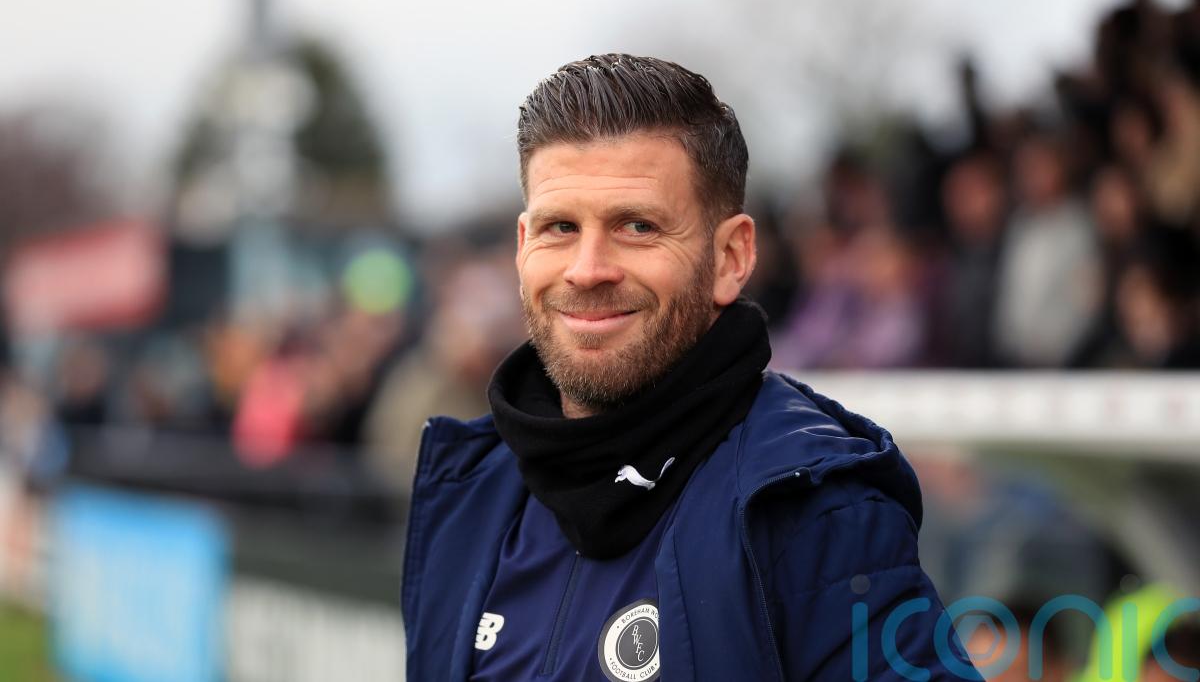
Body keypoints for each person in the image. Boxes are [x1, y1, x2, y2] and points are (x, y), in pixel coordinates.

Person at [401, 54, 974, 681]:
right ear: (521, 248)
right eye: (560, 227)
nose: (587, 270)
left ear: (731, 257)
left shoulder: (817, 512)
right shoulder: (469, 493)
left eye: (638, 226)